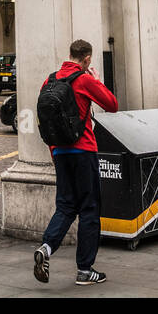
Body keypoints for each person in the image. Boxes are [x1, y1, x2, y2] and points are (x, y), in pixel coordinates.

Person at [33, 39, 118, 287]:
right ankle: (84, 269)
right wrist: (97, 79)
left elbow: (46, 120)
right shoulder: (84, 80)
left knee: (66, 206)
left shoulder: (49, 81)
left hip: (59, 152)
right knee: (89, 208)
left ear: (69, 55)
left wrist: (54, 151)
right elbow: (112, 105)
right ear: (87, 59)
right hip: (84, 151)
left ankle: (47, 248)